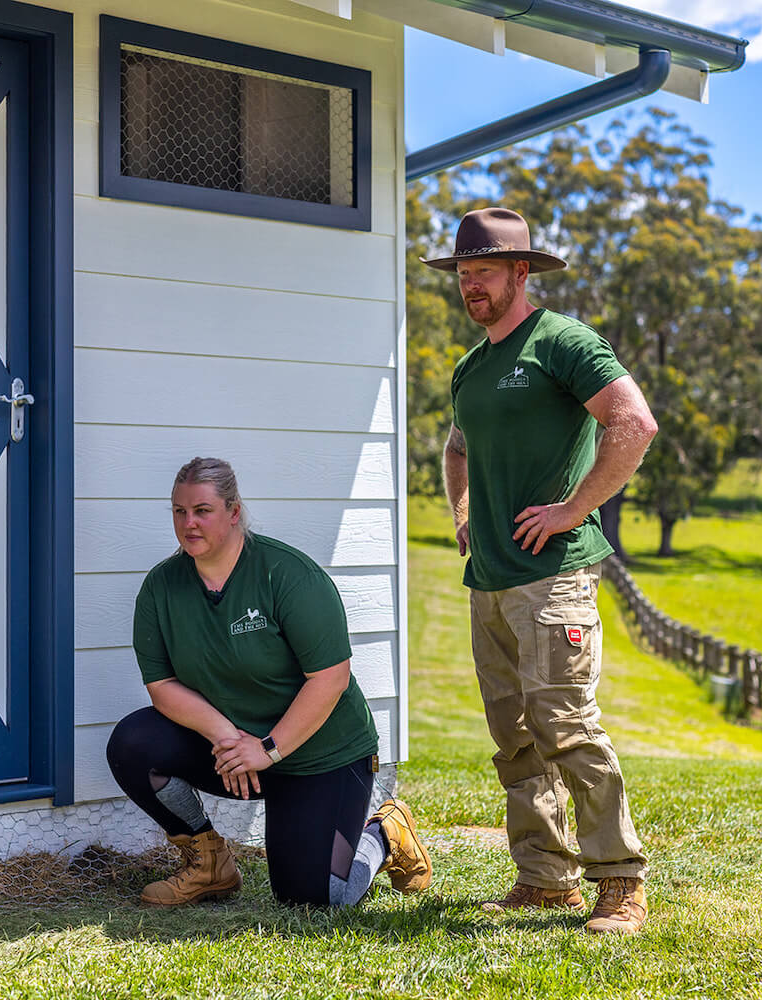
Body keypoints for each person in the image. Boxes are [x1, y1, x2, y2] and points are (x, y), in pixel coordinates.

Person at [423, 207, 657, 935]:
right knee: (515, 738)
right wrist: (462, 514)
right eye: (463, 276)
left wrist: (569, 509)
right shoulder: (473, 365)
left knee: (567, 725)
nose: (471, 288)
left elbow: (633, 422)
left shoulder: (560, 341)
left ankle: (619, 881)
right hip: (488, 581)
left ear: (521, 272)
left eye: (484, 274)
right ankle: (545, 877)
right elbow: (458, 449)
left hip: (552, 576)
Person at [106, 457, 431, 908]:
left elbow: (331, 678)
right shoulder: (162, 586)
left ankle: (384, 833)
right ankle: (209, 864)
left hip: (318, 751)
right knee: (134, 743)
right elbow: (162, 686)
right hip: (237, 747)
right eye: (180, 511)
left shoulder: (288, 575)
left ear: (234, 511)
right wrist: (229, 739)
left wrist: (267, 749)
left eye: (203, 510)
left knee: (316, 897)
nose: (188, 523)